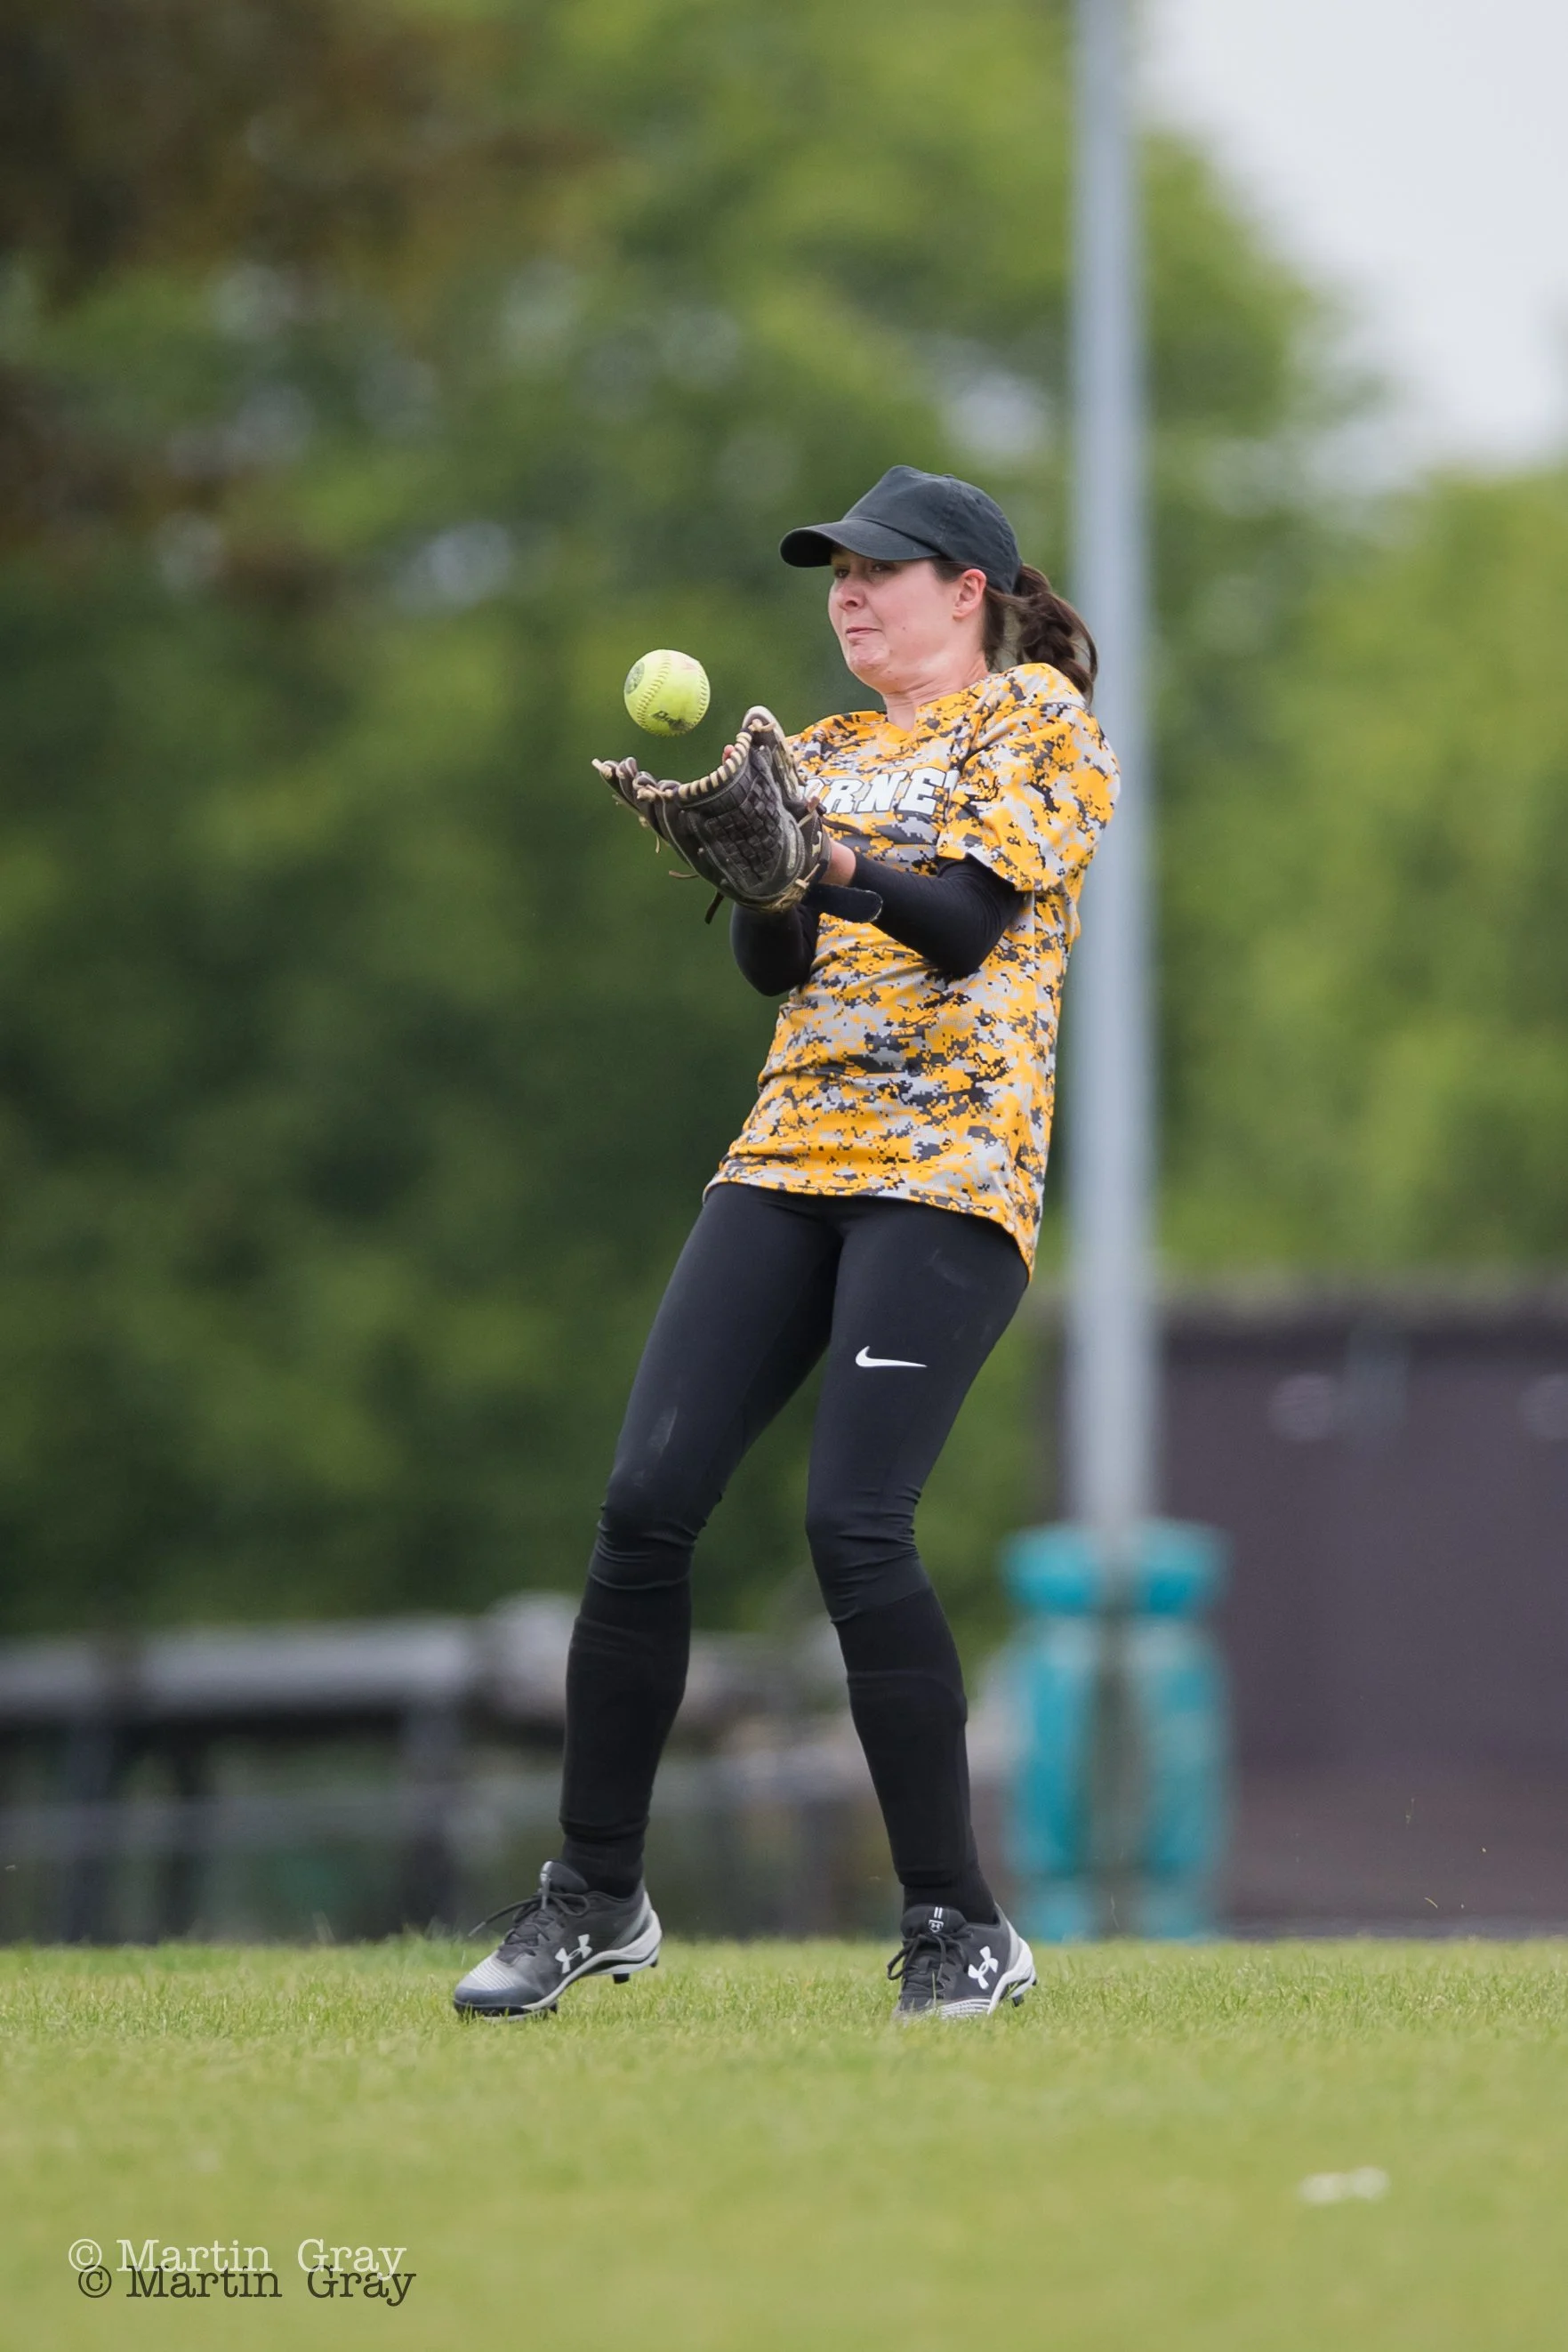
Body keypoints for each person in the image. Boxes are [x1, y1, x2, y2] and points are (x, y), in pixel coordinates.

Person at [455, 464, 1118, 2021]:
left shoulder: (1038, 729)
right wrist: (752, 868)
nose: (845, 590)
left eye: (878, 568)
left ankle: (961, 1925)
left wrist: (819, 859)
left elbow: (960, 927)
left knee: (854, 1527)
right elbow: (778, 965)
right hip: (787, 1154)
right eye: (832, 571)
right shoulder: (808, 751)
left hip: (948, 1172)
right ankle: (592, 1898)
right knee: (643, 1506)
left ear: (969, 593)